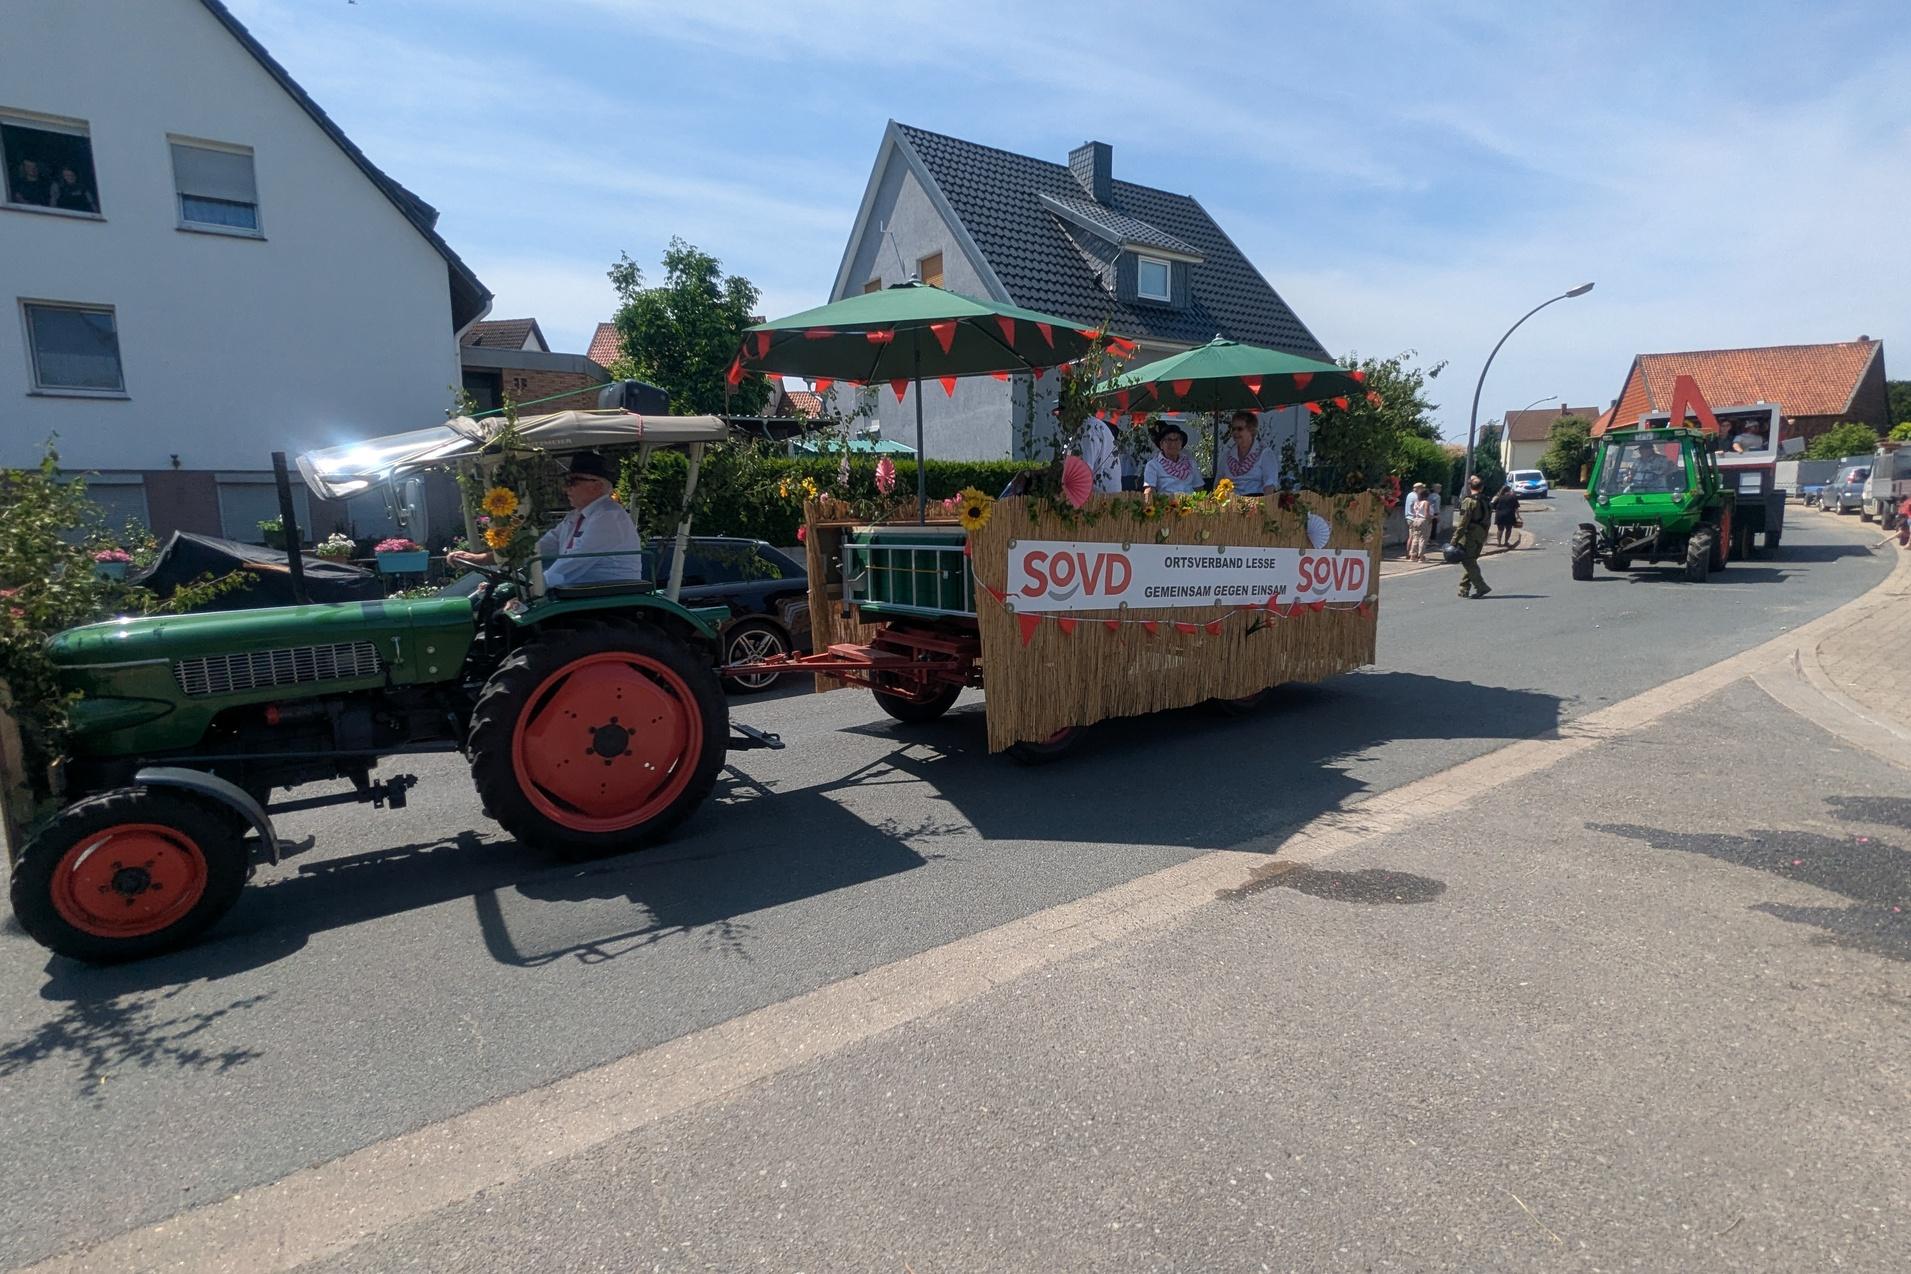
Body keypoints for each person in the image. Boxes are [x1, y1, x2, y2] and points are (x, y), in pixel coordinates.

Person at [447, 451, 644, 587]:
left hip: (606, 593)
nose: (565, 488)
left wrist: (534, 587)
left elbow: (572, 563)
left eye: (572, 481)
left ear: (597, 486)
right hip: (584, 590)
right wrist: (483, 559)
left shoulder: (608, 517)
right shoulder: (576, 516)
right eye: (565, 481)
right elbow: (539, 547)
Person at [1216, 410, 1279, 494]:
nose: (1235, 432)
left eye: (1240, 429)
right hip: (1231, 500)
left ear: (1251, 430)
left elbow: (1269, 486)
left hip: (1256, 499)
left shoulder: (1264, 454)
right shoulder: (1227, 456)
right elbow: (1217, 484)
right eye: (1233, 429)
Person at [1453, 474, 1492, 599]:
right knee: (1471, 561)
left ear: (1470, 486)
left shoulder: (1469, 501)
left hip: (1470, 534)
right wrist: (1485, 535)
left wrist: (1454, 540)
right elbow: (1488, 520)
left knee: (1468, 561)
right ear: (1482, 487)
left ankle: (1481, 586)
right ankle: (1464, 588)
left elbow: (1463, 523)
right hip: (1481, 533)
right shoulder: (1486, 500)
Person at [1142, 422, 1201, 498]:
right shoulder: (1153, 465)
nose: (1173, 444)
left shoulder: (1191, 463)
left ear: (1181, 444)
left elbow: (1199, 489)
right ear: (1161, 444)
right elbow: (1149, 490)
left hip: (1190, 502)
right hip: (1166, 503)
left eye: (1176, 440)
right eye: (1169, 440)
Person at [1077, 415, 1122, 494]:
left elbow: (1084, 470)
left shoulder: (1089, 428)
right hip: (1107, 494)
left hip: (1100, 496)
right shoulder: (1093, 426)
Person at [1403, 482, 1430, 561]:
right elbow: (1421, 509)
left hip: (1408, 517)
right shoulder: (1416, 497)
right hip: (1415, 518)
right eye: (1422, 488)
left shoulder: (1409, 495)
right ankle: (1416, 555)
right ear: (1419, 489)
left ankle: (1410, 554)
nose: (1423, 490)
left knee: (1412, 537)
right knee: (1416, 537)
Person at [1491, 483, 1521, 548]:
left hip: (1499, 515)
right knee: (1508, 529)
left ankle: (1499, 543)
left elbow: (1493, 507)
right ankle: (1506, 542)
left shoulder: (1498, 497)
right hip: (1509, 515)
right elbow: (1516, 508)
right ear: (1509, 490)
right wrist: (1518, 516)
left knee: (1500, 529)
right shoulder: (1513, 497)